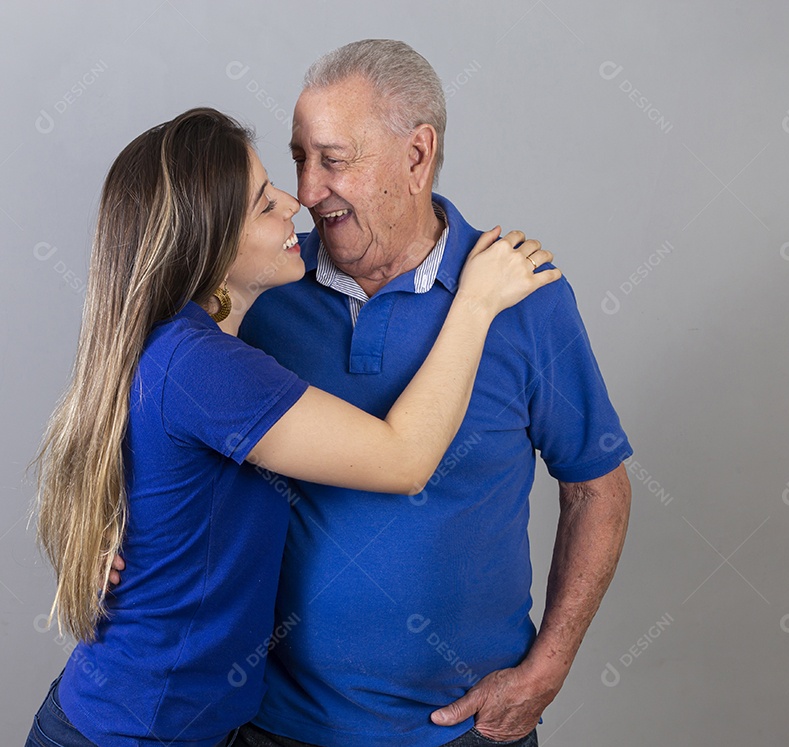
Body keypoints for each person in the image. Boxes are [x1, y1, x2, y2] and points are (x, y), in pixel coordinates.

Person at [26, 107, 559, 747]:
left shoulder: (181, 348)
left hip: (178, 726)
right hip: (136, 733)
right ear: (213, 245)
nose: (295, 199)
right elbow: (404, 458)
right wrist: (474, 303)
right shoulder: (207, 366)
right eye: (261, 204)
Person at [233, 40, 633, 747]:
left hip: (463, 731)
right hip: (272, 724)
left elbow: (598, 487)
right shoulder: (263, 289)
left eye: (333, 158)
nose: (307, 189)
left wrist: (550, 664)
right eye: (299, 158)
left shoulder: (522, 296)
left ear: (417, 156)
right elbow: (176, 420)